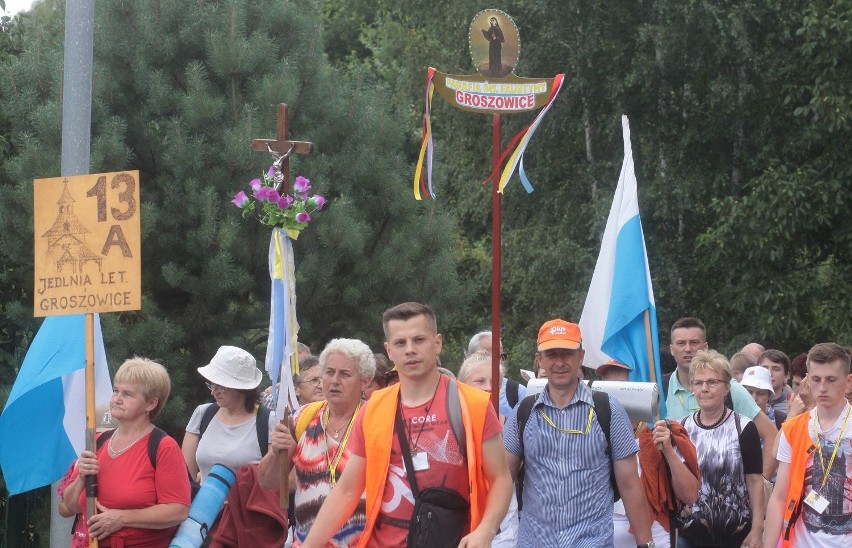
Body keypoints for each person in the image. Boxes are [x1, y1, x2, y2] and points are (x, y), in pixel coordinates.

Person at [301, 302, 513, 548]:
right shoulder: (373, 409)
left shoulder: (473, 404)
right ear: (389, 350)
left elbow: (501, 479)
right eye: (400, 343)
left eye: (419, 340)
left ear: (437, 343)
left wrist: (486, 530)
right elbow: (347, 491)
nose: (410, 350)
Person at [503, 319, 653, 546]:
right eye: (552, 354)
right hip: (535, 542)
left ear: (580, 357)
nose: (560, 362)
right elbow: (502, 481)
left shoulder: (609, 410)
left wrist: (646, 544)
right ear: (539, 359)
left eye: (567, 354)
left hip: (592, 542)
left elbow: (630, 485)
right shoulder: (523, 412)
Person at [60, 357, 190, 547]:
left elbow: (178, 510)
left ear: (151, 404)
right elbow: (68, 507)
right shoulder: (98, 441)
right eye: (115, 390)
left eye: (127, 394)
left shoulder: (163, 446)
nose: (116, 399)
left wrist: (122, 518)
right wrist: (81, 477)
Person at [259, 338, 376, 547]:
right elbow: (268, 482)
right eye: (329, 372)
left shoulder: (377, 420)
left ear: (365, 381)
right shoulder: (302, 417)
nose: (334, 381)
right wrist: (275, 452)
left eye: (345, 374)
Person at [663, 317, 777, 477]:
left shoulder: (730, 388)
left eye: (694, 343)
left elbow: (772, 435)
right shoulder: (661, 389)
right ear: (672, 349)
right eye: (681, 343)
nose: (688, 349)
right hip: (677, 496)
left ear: (705, 347)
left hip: (728, 496)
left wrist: (761, 483)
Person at [764, 342, 852, 547]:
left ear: (848, 382)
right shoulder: (793, 429)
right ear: (807, 381)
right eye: (816, 379)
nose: (822, 388)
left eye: (831, 380)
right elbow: (779, 497)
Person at [676, 351, 764, 547]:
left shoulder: (744, 427)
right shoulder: (681, 429)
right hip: (690, 536)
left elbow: (755, 481)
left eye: (712, 382)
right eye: (698, 383)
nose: (704, 389)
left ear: (727, 388)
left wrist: (758, 529)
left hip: (737, 536)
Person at [182, 345, 274, 484]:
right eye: (212, 384)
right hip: (203, 505)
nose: (214, 392)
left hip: (247, 506)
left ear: (242, 389)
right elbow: (185, 476)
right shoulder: (203, 414)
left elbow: (275, 480)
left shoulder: (268, 421)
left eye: (221, 386)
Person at [457, 350, 519, 548]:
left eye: (495, 382)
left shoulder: (510, 425)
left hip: (500, 532)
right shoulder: (451, 425)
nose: (488, 388)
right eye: (480, 381)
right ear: (462, 385)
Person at [466, 330, 527, 416]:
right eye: (491, 356)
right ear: (471, 358)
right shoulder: (457, 392)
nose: (499, 361)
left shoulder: (518, 392)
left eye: (502, 356)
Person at [758, 349, 792, 415]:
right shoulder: (749, 400)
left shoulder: (794, 404)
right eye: (765, 368)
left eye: (776, 369)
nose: (769, 373)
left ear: (786, 375)